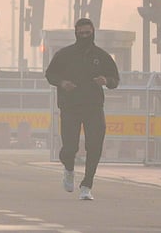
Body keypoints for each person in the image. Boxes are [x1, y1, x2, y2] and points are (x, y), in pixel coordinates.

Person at [45, 18, 119, 201]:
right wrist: (62, 83)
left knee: (94, 146)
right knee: (70, 147)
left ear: (93, 32)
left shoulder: (101, 56)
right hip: (70, 106)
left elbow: (115, 79)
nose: (85, 36)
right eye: (81, 33)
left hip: (93, 106)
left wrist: (106, 81)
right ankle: (68, 168)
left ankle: (87, 185)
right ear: (76, 33)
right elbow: (50, 74)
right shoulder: (65, 54)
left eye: (88, 33)